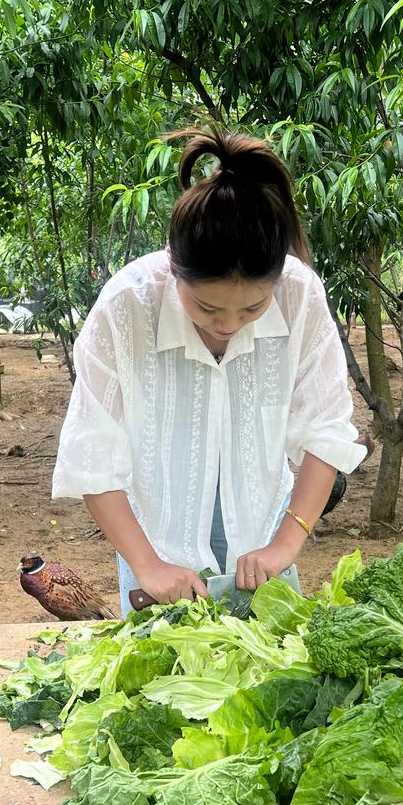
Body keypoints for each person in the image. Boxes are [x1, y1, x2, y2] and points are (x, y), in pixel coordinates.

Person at [52, 128, 367, 615]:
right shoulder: (126, 307)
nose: (228, 326)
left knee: (271, 678)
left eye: (253, 308)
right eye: (206, 307)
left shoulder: (300, 296)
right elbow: (92, 452)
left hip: (266, 547)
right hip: (153, 549)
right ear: (174, 266)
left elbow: (326, 431)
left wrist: (284, 546)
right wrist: (149, 566)